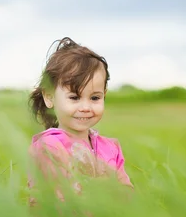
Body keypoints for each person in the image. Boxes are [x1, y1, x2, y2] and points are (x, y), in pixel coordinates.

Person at [27, 37, 132, 203]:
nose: (85, 107)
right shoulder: (49, 147)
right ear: (49, 97)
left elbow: (128, 194)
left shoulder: (111, 148)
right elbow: (55, 199)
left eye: (95, 98)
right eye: (74, 97)